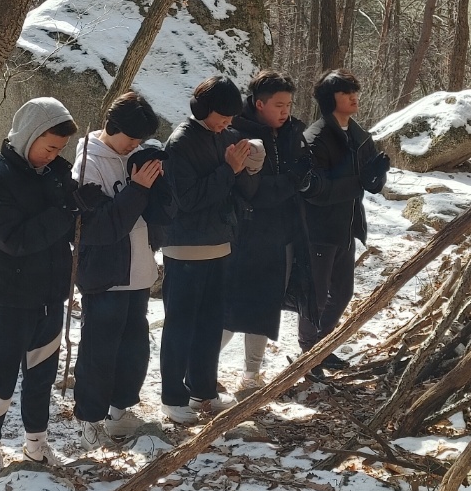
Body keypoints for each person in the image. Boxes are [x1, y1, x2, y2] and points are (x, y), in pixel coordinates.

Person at [0, 97, 101, 477]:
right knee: (1, 378)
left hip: (49, 295)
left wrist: (83, 206)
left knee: (41, 376)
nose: (53, 155)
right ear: (29, 135)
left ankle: (36, 444)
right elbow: (13, 239)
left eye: (59, 149)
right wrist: (65, 211)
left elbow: (68, 220)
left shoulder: (56, 174)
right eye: (49, 147)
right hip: (9, 298)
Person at [158, 76, 259, 423]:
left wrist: (249, 168)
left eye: (231, 118)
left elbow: (243, 190)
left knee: (210, 325)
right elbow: (188, 200)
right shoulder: (180, 142)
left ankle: (203, 390)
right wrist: (229, 170)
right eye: (222, 116)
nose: (226, 123)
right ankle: (172, 397)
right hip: (185, 248)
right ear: (203, 109)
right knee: (180, 327)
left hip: (219, 245)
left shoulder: (228, 137)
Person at [72, 92, 165, 447]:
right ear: (112, 126)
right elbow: (99, 228)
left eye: (140, 140)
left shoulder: (138, 156)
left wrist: (159, 185)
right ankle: (90, 420)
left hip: (139, 270)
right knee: (99, 351)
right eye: (131, 138)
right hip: (105, 275)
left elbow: (158, 212)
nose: (134, 145)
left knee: (134, 348)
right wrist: (138, 188)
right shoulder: (87, 164)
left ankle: (119, 411)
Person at [222, 70, 312, 390]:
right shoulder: (238, 134)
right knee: (233, 310)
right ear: (259, 104)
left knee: (266, 308)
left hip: (284, 234)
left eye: (288, 104)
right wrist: (293, 179)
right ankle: (198, 371)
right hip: (246, 234)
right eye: (278, 105)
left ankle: (251, 375)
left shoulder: (292, 132)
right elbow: (255, 192)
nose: (285, 111)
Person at [299, 69, 389, 374]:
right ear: (329, 99)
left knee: (341, 294)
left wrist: (377, 176)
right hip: (318, 229)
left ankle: (321, 349)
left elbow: (371, 184)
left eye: (354, 91)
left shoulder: (359, 136)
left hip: (347, 227)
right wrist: (358, 181)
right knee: (315, 297)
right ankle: (308, 355)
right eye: (345, 92)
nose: (353, 97)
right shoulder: (315, 138)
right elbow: (314, 189)